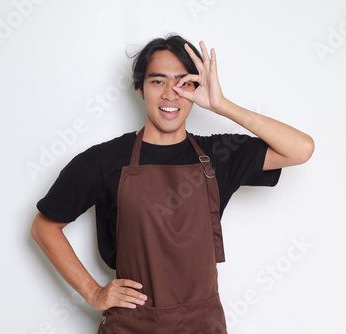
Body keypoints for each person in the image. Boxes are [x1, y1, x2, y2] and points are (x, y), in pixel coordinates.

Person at [31, 34, 314, 333]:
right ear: (140, 88)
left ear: (197, 88)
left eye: (183, 82)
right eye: (158, 81)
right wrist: (93, 293)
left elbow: (300, 149)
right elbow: (44, 227)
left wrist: (222, 105)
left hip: (203, 324)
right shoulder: (104, 160)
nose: (170, 94)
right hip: (132, 325)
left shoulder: (220, 157)